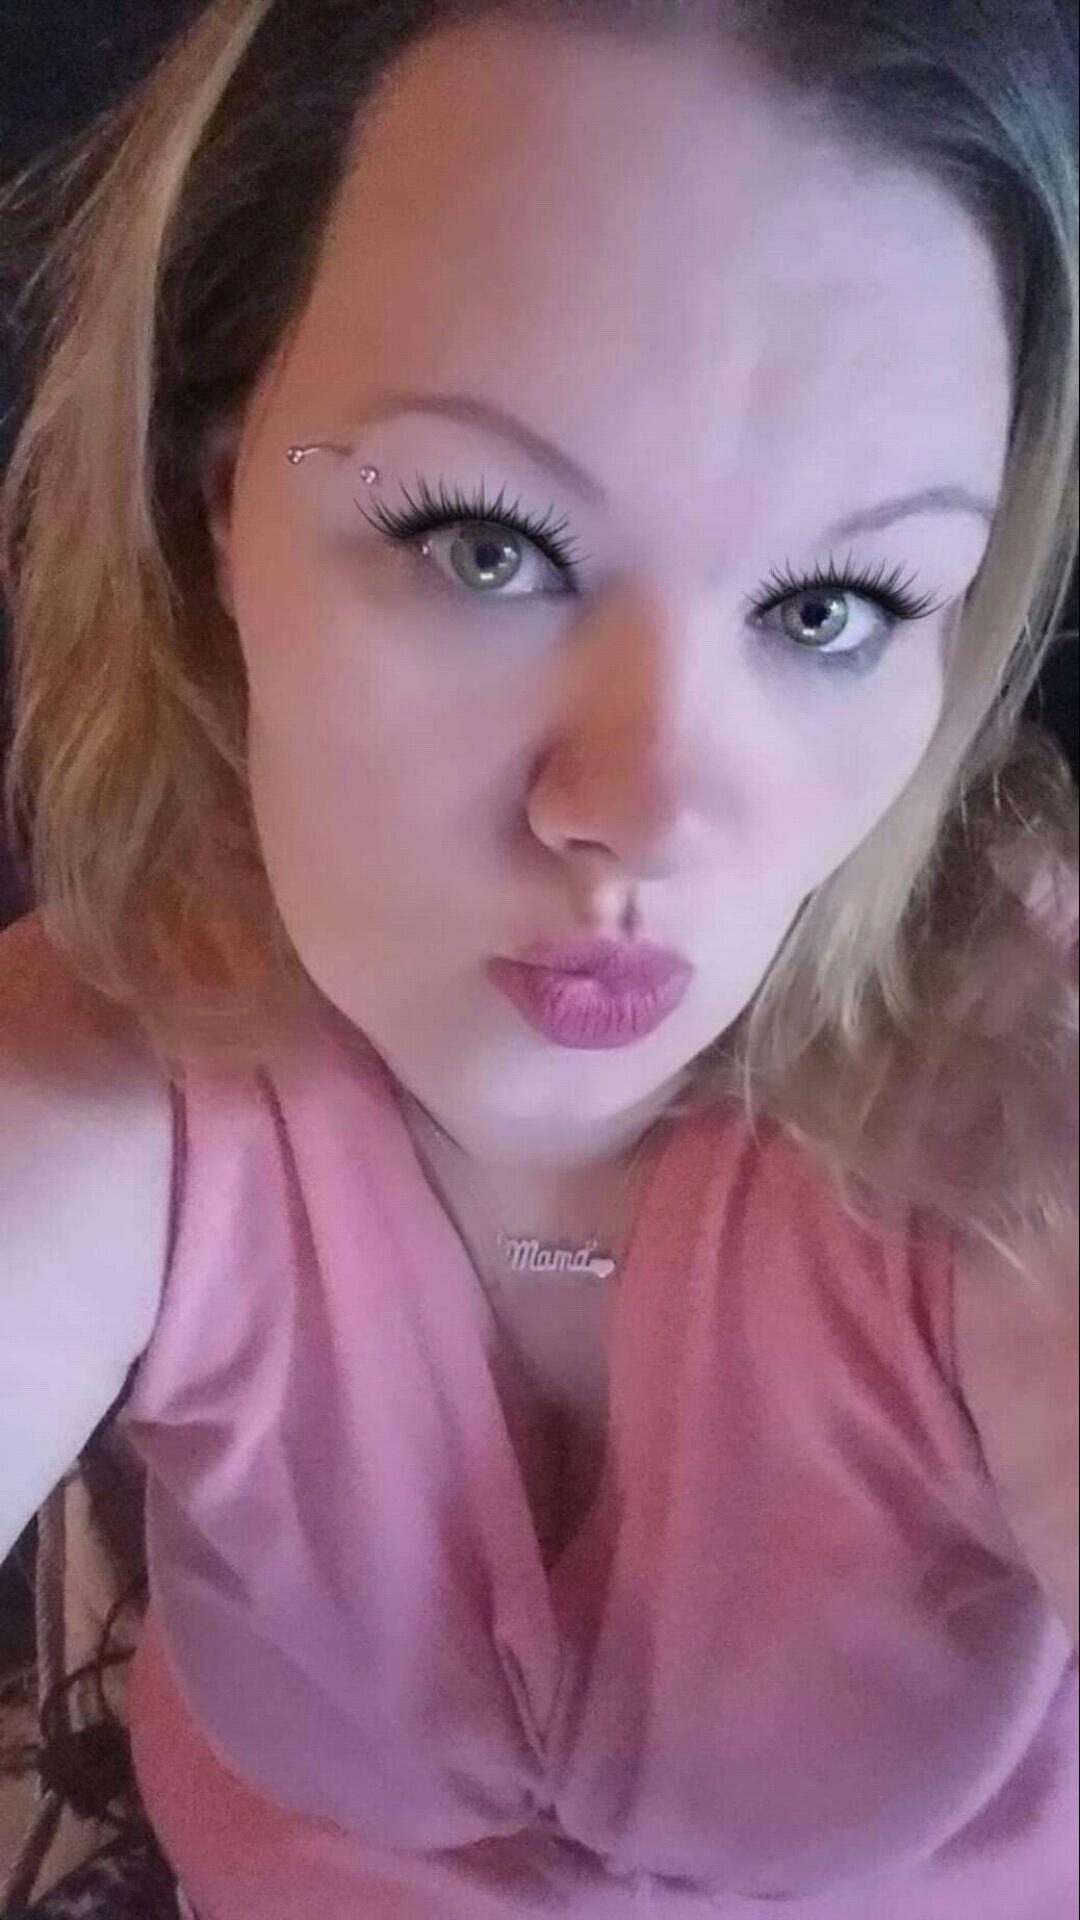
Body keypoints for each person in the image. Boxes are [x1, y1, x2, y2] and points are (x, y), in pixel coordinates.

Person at [1, 1, 1077, 1914]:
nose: (647, 813)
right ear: (211, 498)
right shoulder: (114, 1066)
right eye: (485, 546)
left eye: (834, 605)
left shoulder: (1016, 1100)